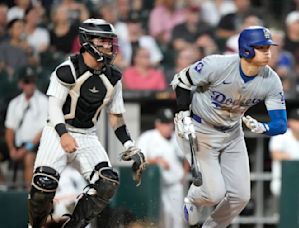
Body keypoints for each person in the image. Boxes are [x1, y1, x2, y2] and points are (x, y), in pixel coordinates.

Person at [27, 19, 146, 228]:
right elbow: (54, 107)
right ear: (87, 41)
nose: (109, 46)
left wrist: (130, 146)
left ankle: (74, 226)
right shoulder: (67, 70)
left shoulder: (114, 77)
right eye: (103, 41)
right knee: (43, 184)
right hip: (57, 131)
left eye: (110, 41)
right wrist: (64, 134)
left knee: (107, 182)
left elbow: (116, 117)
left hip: (87, 135)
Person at [172, 26, 288, 227]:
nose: (268, 51)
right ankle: (193, 198)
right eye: (261, 47)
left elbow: (281, 123)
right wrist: (183, 113)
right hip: (201, 130)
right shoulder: (217, 65)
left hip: (232, 133)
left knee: (241, 196)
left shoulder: (271, 80)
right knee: (214, 193)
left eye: (268, 47)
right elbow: (182, 81)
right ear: (246, 49)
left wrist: (264, 128)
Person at [137, 108, 187, 228]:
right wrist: (155, 160)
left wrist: (184, 174)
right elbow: (138, 159)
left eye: (170, 123)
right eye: (165, 123)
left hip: (175, 184)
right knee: (160, 217)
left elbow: (187, 156)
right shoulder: (148, 137)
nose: (169, 126)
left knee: (177, 219)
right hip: (156, 186)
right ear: (158, 123)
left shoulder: (177, 138)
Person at [5, 66, 48, 189]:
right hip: (18, 145)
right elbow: (10, 128)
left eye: (33, 81)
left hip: (35, 145)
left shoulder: (43, 101)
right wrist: (11, 148)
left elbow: (42, 131)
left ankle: (28, 194)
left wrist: (25, 149)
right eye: (27, 82)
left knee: (29, 158)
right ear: (21, 84)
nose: (31, 85)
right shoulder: (15, 103)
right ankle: (3, 189)